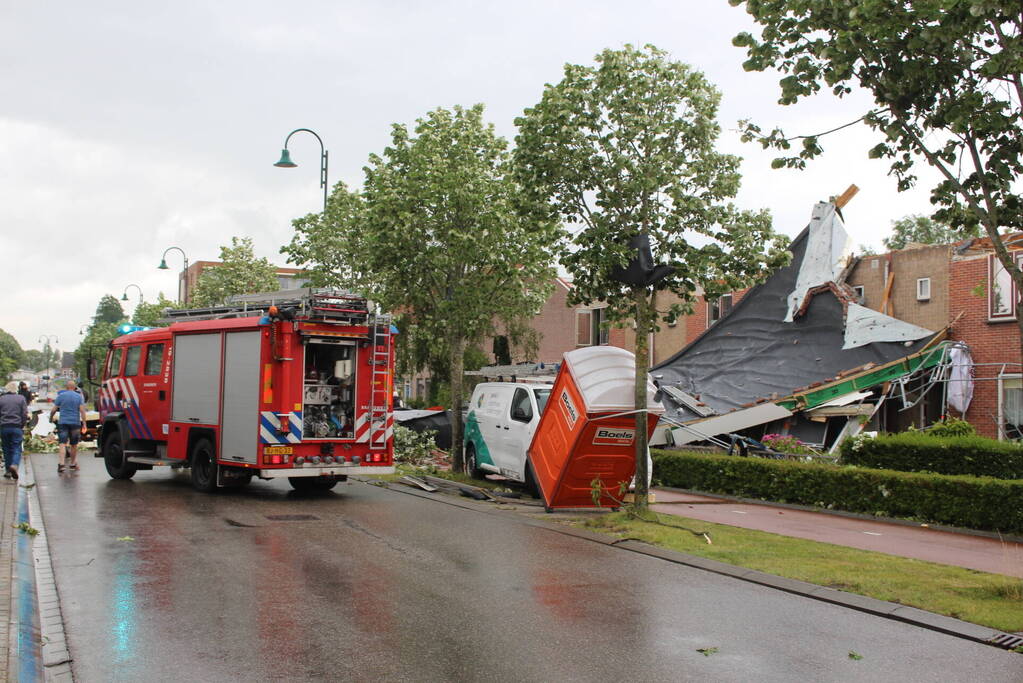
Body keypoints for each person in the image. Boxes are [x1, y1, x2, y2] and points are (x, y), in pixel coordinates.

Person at [51, 379, 86, 473]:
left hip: (63, 422)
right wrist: (84, 423)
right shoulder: (79, 397)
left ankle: (61, 464)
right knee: (74, 444)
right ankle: (73, 463)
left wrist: (51, 417)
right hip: (75, 423)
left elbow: (54, 409)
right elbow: (82, 411)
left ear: (66, 387)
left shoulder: (61, 396)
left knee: (62, 443)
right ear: (75, 387)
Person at [1, 381, 29, 480]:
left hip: (4, 427)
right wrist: (23, 424)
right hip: (17, 426)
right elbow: (24, 413)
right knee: (17, 447)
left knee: (6, 448)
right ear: (16, 389)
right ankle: (14, 464)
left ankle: (8, 470)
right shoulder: (21, 398)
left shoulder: (1, 399)